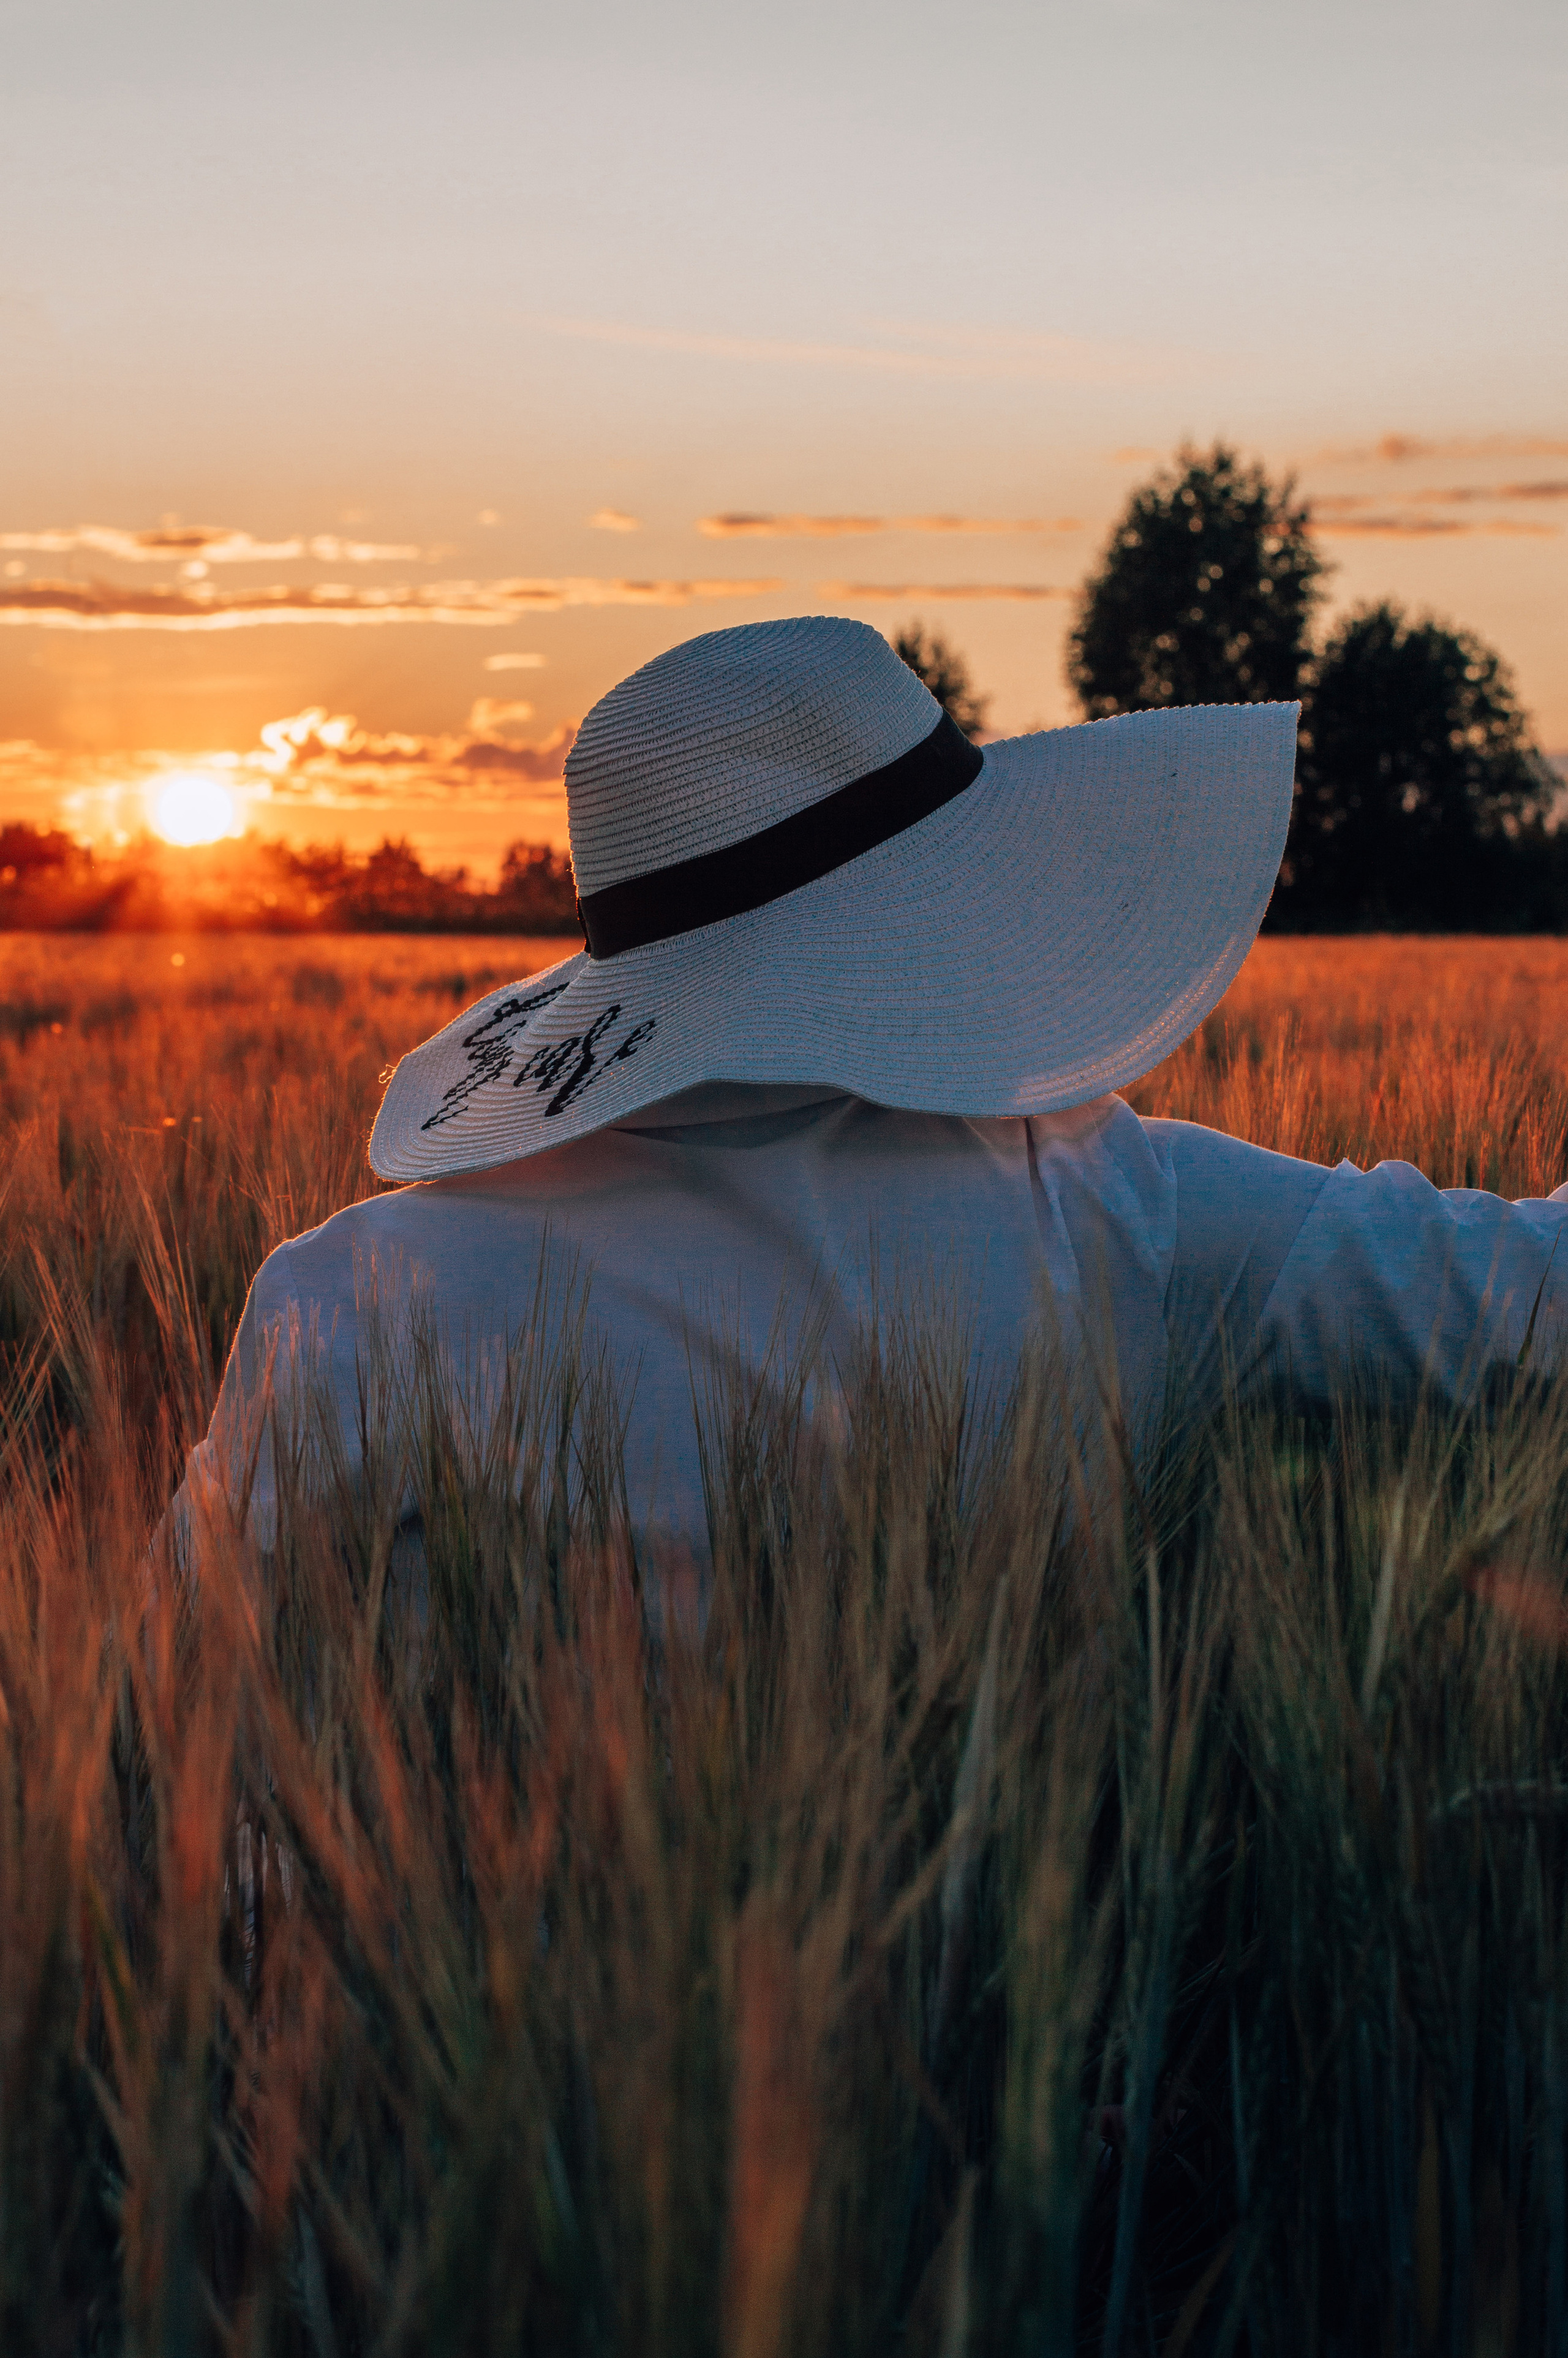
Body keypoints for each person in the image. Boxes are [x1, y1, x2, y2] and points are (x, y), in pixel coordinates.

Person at [175, 615, 1567, 1557]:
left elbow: (169, 1752)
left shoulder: (349, 1301)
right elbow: (1528, 1302)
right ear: (943, 914)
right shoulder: (1124, 1212)